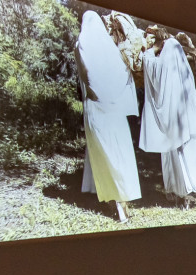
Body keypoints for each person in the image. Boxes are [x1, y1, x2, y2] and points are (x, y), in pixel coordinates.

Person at [75, 11, 142, 223]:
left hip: (95, 105)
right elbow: (123, 72)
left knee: (105, 153)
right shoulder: (108, 47)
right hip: (113, 107)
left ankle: (118, 203)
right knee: (119, 152)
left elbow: (86, 77)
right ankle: (122, 202)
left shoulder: (81, 43)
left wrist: (96, 93)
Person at [139, 27, 196, 206]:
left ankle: (178, 193)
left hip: (172, 123)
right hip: (189, 122)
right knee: (189, 155)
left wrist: (154, 48)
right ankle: (187, 195)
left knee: (174, 155)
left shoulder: (162, 66)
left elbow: (148, 62)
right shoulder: (185, 72)